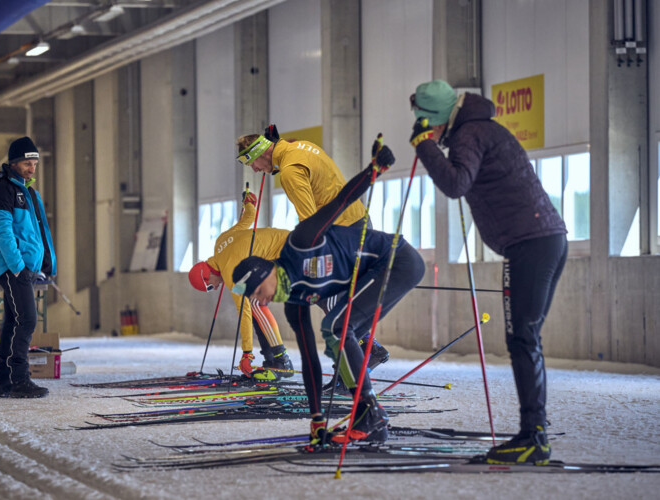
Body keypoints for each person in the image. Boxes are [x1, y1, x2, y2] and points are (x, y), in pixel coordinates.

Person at [409, 80, 568, 465]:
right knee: (525, 338)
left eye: (428, 125)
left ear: (439, 118)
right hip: (542, 239)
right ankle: (534, 434)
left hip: (530, 243)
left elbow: (456, 183)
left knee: (522, 339)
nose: (429, 132)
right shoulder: (480, 128)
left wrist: (424, 147)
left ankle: (534, 437)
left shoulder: (469, 133)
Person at [232, 139, 425, 444]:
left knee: (338, 326)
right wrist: (317, 417)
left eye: (256, 293)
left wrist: (373, 171)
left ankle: (370, 412)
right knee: (338, 329)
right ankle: (370, 413)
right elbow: (309, 361)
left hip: (396, 259)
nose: (260, 300)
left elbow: (340, 202)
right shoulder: (295, 301)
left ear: (266, 274)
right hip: (372, 265)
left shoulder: (301, 242)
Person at [236, 126, 391, 375]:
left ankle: (361, 357)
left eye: (252, 162)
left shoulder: (289, 172)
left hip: (342, 232)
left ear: (264, 153)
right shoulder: (302, 147)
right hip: (357, 223)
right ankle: (366, 350)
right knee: (332, 297)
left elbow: (310, 220)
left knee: (325, 296)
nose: (254, 169)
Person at [189, 191, 294, 379]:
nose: (215, 288)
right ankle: (271, 359)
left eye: (210, 286)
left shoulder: (231, 274)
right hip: (288, 242)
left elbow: (243, 311)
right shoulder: (220, 242)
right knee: (256, 306)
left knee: (254, 305)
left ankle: (281, 360)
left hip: (289, 253)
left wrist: (247, 353)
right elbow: (248, 219)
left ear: (207, 275)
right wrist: (249, 203)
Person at [0, 136, 57, 399]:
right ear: (13, 163)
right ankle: (19, 380)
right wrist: (17, 267)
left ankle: (6, 382)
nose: (32, 168)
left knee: (14, 322)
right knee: (27, 320)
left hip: (25, 267)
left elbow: (38, 233)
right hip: (13, 267)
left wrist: (45, 264)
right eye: (27, 163)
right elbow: (2, 232)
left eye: (34, 163)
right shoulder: (1, 190)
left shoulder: (28, 192)